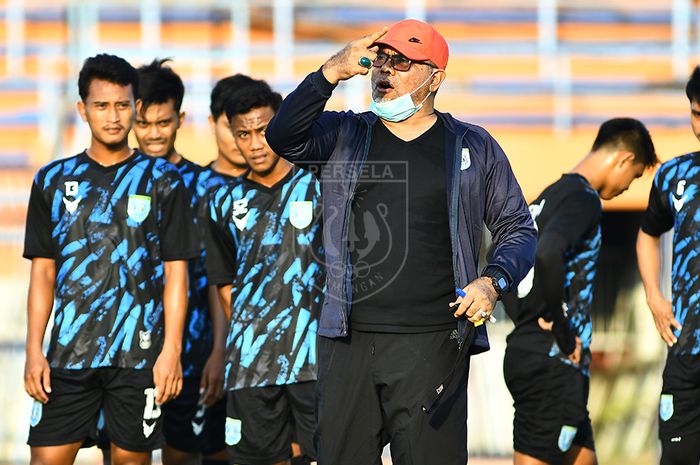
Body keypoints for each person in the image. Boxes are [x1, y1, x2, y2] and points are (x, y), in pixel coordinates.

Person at [266, 19, 537, 465]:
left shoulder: (473, 145)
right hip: (347, 340)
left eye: (403, 62)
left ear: (436, 78)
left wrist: (492, 282)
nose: (385, 71)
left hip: (433, 341)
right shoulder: (346, 135)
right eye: (382, 60)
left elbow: (518, 228)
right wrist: (330, 72)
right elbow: (282, 136)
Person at [22, 53, 198, 465]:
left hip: (139, 358)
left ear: (136, 108)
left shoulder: (164, 181)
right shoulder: (51, 180)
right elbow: (43, 273)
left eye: (122, 105)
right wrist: (34, 349)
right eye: (102, 105)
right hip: (68, 355)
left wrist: (170, 351)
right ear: (82, 109)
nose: (113, 116)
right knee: (46, 459)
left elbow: (177, 273)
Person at [503, 118, 658, 465]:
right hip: (551, 360)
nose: (626, 188)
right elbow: (547, 252)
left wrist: (529, 319)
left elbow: (514, 267)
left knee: (584, 456)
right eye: (632, 178)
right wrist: (558, 326)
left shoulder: (550, 196)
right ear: (623, 159)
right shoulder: (584, 198)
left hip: (540, 355)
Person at [205, 77, 322, 465]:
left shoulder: (318, 186)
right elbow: (223, 286)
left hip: (315, 362)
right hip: (252, 367)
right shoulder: (223, 202)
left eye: (263, 131)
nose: (255, 144)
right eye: (244, 134)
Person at [132, 58, 237, 465]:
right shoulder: (114, 182)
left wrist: (219, 349)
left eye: (164, 122)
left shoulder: (208, 187)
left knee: (197, 455)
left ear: (181, 118)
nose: (154, 134)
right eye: (144, 124)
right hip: (129, 353)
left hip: (196, 350)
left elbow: (221, 275)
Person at [637, 66, 700, 465]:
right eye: (697, 113)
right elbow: (648, 234)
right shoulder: (674, 175)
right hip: (685, 349)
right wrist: (654, 296)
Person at [209, 75, 252, 178]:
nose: (239, 139)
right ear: (212, 123)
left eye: (246, 131)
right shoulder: (190, 185)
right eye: (231, 128)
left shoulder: (292, 186)